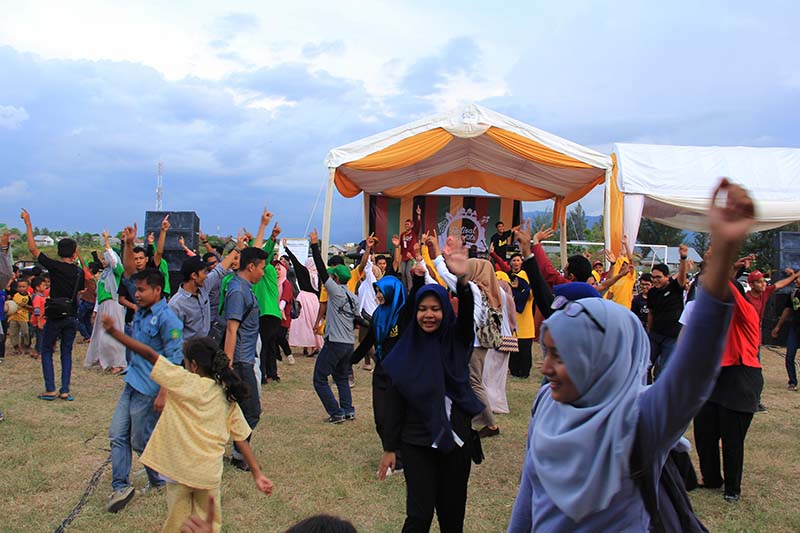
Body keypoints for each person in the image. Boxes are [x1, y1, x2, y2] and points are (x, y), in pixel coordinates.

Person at [508, 178, 754, 531]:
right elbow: (528, 494)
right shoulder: (547, 402)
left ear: (600, 359)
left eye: (560, 357)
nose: (545, 368)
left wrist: (722, 257)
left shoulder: (640, 419)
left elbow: (692, 372)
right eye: (547, 352)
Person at [101, 319, 273, 532]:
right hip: (208, 474)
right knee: (209, 524)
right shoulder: (227, 396)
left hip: (179, 471)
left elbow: (149, 355)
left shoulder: (182, 381)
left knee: (176, 522)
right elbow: (241, 439)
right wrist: (257, 473)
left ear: (192, 365)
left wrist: (116, 333)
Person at [379, 238, 484, 532]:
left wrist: (462, 282)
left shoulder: (457, 341)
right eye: (423, 308)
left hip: (457, 443)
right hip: (417, 443)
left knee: (452, 519)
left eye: (435, 309)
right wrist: (390, 448)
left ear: (445, 312)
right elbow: (394, 403)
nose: (428, 314)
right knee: (419, 516)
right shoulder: (406, 353)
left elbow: (465, 317)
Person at [106, 266, 184, 513]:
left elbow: (173, 359)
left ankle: (158, 479)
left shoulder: (168, 320)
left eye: (141, 290)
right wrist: (128, 244)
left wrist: (163, 392)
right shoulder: (141, 310)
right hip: (131, 382)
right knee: (117, 434)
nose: (136, 294)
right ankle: (120, 486)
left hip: (149, 389)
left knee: (140, 439)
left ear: (157, 290)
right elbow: (128, 271)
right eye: (136, 290)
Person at [691, 270, 763, 503]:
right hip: (716, 376)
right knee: (704, 431)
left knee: (731, 438)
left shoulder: (745, 312)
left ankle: (733, 488)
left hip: (741, 377)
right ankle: (711, 479)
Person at [429, 232, 502, 438]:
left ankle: (491, 424)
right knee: (470, 380)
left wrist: (435, 252)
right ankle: (474, 416)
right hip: (479, 343)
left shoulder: (473, 289)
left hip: (475, 343)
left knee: (474, 382)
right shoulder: (488, 289)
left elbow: (446, 276)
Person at [21, 208, 85, 400]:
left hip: (55, 315)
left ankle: (50, 388)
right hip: (71, 315)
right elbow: (81, 291)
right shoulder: (78, 272)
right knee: (67, 352)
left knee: (47, 350)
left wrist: (28, 223)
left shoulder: (55, 267)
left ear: (58, 252)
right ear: (74, 253)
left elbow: (33, 250)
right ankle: (65, 390)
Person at [351, 269, 414, 459]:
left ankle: (400, 457)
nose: (378, 296)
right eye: (377, 291)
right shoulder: (378, 314)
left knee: (399, 417)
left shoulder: (404, 314)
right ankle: (391, 451)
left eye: (381, 291)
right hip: (381, 372)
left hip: (401, 374)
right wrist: (349, 361)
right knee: (381, 418)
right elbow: (368, 341)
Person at [223, 245, 266, 471]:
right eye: (262, 268)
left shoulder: (245, 287)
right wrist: (228, 365)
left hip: (246, 358)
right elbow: (232, 329)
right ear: (251, 266)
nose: (263, 272)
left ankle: (236, 451)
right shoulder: (238, 291)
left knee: (239, 409)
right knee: (251, 410)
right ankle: (239, 454)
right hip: (240, 361)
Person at [309, 228, 357, 424]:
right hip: (348, 344)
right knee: (341, 378)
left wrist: (314, 244)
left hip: (335, 342)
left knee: (319, 378)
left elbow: (321, 270)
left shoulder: (335, 292)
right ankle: (348, 409)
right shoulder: (353, 296)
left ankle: (336, 412)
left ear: (336, 279)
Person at [168, 238, 239, 340]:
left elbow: (219, 270)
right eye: (204, 272)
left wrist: (237, 249)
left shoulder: (203, 287)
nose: (206, 276)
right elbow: (172, 336)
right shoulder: (176, 305)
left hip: (204, 346)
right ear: (194, 276)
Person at [84, 231, 127, 373]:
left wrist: (107, 241)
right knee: (100, 335)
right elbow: (98, 295)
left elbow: (114, 261)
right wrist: (95, 311)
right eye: (103, 258)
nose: (103, 261)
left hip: (114, 304)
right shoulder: (104, 274)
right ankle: (104, 360)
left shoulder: (117, 271)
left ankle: (118, 363)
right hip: (103, 305)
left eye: (105, 258)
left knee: (114, 334)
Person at [647, 247, 689, 381]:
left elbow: (682, 278)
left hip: (672, 338)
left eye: (658, 277)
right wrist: (649, 330)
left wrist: (683, 258)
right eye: (653, 277)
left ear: (667, 277)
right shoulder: (652, 292)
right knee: (644, 366)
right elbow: (651, 312)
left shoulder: (674, 288)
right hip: (655, 336)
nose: (655, 280)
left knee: (664, 371)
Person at [770, 273, 800, 390]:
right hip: (795, 329)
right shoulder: (793, 294)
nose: (795, 281)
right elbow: (787, 310)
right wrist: (778, 326)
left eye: (797, 279)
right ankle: (792, 382)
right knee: (789, 356)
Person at [398, 205, 422, 288]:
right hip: (404, 257)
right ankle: (404, 289)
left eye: (408, 224)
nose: (406, 226)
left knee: (408, 273)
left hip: (412, 256)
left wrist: (418, 215)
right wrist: (396, 244)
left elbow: (419, 224)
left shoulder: (414, 233)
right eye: (405, 224)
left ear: (412, 225)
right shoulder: (402, 235)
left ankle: (410, 289)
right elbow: (400, 245)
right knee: (403, 273)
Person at [30, 276, 48, 359]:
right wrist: (39, 321)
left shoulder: (42, 296)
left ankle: (37, 351)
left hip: (43, 319)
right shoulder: (37, 297)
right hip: (39, 320)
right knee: (41, 337)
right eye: (43, 285)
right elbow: (36, 310)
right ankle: (40, 352)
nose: (45, 287)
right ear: (37, 287)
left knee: (42, 336)